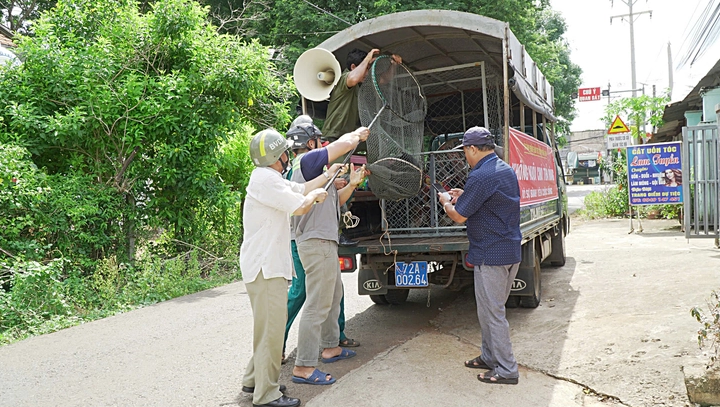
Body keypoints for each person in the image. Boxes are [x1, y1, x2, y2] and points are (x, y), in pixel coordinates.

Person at [239, 128, 338, 407]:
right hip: (265, 268)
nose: (288, 156)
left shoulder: (268, 178)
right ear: (275, 156)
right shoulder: (266, 181)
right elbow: (302, 204)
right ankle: (267, 394)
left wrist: (327, 177)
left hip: (265, 267)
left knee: (267, 328)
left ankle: (254, 379)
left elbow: (301, 189)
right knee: (271, 331)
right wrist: (317, 195)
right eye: (284, 152)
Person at [438, 126, 522, 385]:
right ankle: (488, 356)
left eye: (464, 150)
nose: (464, 155)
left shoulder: (480, 175)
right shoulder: (502, 169)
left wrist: (446, 202)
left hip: (491, 254)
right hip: (509, 251)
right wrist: (464, 196)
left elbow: (459, 216)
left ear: (473, 149)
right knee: (488, 310)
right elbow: (491, 201)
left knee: (493, 313)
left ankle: (507, 370)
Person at [289, 123, 369, 385]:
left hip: (325, 242)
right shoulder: (306, 162)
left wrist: (353, 184)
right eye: (319, 141)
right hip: (316, 243)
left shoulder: (317, 175)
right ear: (311, 143)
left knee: (333, 296)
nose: (323, 146)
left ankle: (330, 347)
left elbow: (336, 201)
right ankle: (304, 366)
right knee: (317, 304)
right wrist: (356, 136)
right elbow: (341, 146)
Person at [322, 47, 402, 246]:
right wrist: (368, 58)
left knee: (348, 185)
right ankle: (334, 232)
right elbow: (354, 77)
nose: (368, 74)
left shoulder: (361, 88)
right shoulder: (344, 81)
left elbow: (382, 80)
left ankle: (338, 230)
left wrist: (392, 66)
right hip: (334, 141)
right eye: (366, 69)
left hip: (347, 144)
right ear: (353, 67)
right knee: (337, 185)